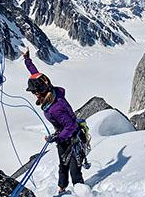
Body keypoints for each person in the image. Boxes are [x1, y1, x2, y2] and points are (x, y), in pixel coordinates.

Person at [22, 48, 84, 194]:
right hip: (63, 137)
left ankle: (82, 192)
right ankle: (62, 189)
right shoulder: (51, 90)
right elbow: (36, 74)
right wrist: (27, 60)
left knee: (74, 170)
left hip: (73, 138)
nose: (34, 94)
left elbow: (71, 125)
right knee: (63, 165)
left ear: (41, 92)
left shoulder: (55, 108)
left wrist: (57, 136)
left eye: (34, 92)